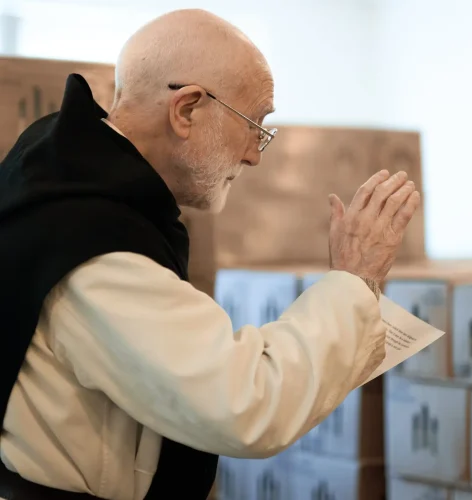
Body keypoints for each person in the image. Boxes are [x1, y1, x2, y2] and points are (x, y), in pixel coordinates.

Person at [0, 8, 420, 500]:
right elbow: (246, 405)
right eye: (255, 125)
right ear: (187, 110)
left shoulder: (62, 176)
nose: (254, 155)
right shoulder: (94, 243)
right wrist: (354, 279)